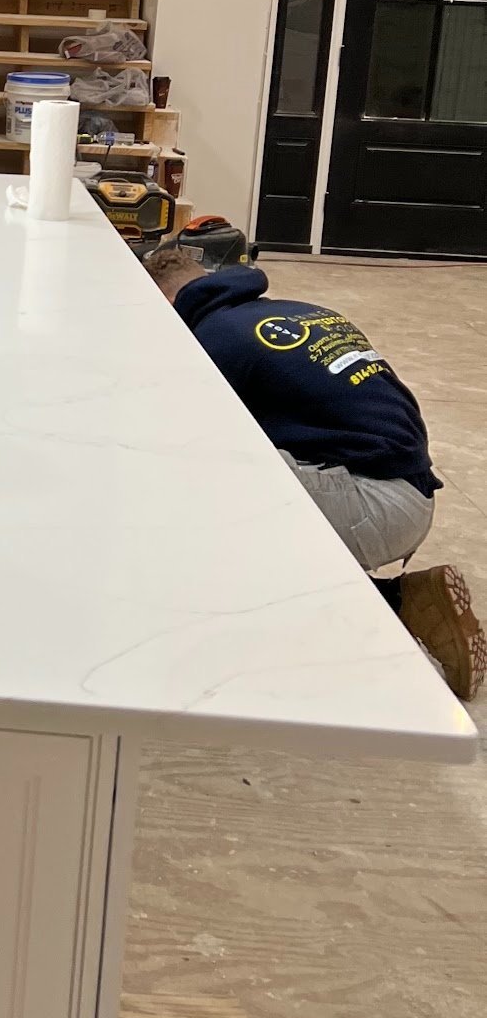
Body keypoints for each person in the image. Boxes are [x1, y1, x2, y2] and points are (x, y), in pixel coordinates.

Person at [146, 243, 485, 701]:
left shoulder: (213, 339)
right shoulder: (297, 311)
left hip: (373, 503)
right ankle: (403, 601)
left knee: (201, 469)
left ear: (168, 305)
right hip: (407, 491)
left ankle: (388, 610)